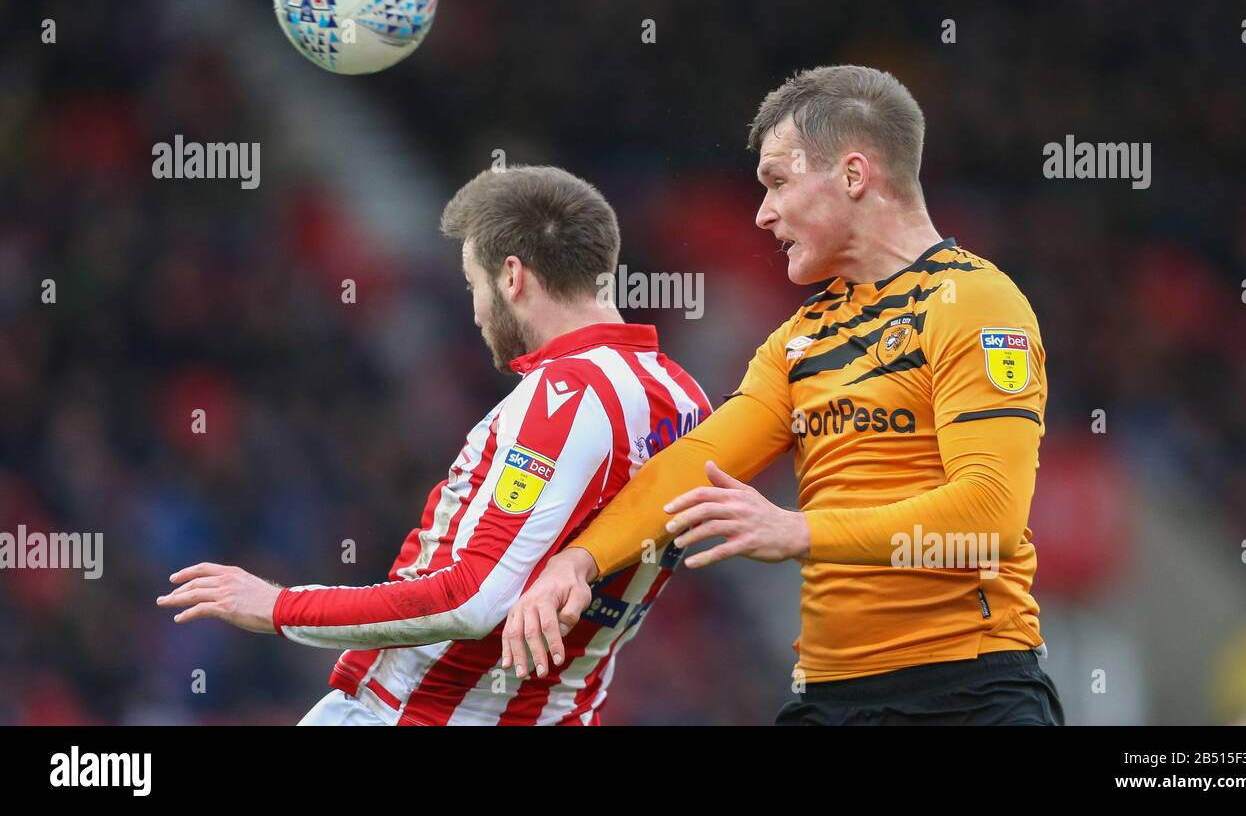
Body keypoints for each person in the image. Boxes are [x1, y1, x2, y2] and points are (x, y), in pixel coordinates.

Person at [500, 66, 1065, 725]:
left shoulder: (975, 302)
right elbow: (697, 464)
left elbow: (988, 514)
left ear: (853, 176)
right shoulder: (800, 339)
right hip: (830, 701)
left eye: (778, 181)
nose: (762, 212)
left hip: (968, 697)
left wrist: (797, 529)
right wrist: (580, 558)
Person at [157, 165, 710, 726]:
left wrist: (279, 606)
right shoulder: (688, 401)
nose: (474, 311)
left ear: (512, 276)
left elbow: (471, 599)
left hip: (424, 714)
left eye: (474, 284)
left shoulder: (566, 398)